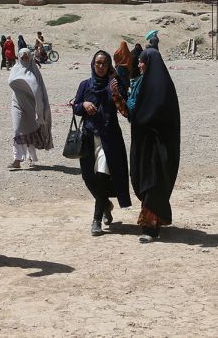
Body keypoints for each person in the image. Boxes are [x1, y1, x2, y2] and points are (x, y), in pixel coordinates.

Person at [72, 50, 131, 236]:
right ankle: (105, 204)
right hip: (89, 138)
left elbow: (125, 107)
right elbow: (76, 107)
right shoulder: (85, 85)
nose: (100, 67)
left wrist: (115, 91)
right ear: (92, 64)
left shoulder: (114, 84)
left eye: (104, 63)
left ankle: (96, 220)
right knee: (88, 177)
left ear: (109, 66)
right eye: (97, 63)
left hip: (109, 137)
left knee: (102, 176)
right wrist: (84, 105)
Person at [127, 48, 180, 243]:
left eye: (143, 62)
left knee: (153, 183)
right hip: (144, 143)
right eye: (139, 61)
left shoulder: (161, 86)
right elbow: (135, 113)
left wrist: (140, 117)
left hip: (159, 146)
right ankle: (156, 220)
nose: (139, 65)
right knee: (145, 181)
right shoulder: (143, 83)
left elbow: (154, 114)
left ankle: (150, 227)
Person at [7, 47, 53, 170]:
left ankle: (32, 158)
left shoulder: (34, 71)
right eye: (22, 57)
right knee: (17, 130)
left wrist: (41, 110)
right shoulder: (15, 69)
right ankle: (17, 159)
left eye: (27, 57)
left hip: (32, 106)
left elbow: (39, 91)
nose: (24, 59)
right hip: (17, 103)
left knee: (31, 130)